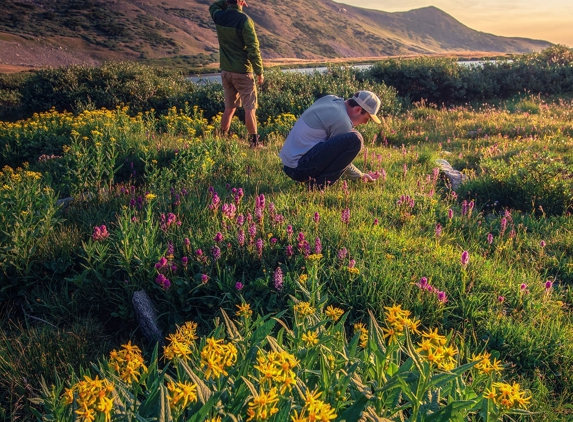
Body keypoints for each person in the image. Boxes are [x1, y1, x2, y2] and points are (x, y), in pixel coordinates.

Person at [279, 91, 383, 189]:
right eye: (367, 118)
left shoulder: (331, 99)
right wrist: (360, 176)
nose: (365, 123)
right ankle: (318, 187)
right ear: (358, 110)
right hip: (298, 169)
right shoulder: (342, 121)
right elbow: (339, 159)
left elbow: (332, 153)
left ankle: (314, 183)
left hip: (290, 165)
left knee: (352, 137)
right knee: (356, 139)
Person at [209, 0, 264, 148]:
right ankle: (254, 142)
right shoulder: (244, 20)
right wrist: (259, 71)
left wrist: (228, 2)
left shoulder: (219, 16)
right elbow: (253, 48)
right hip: (242, 72)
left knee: (229, 107)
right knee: (249, 108)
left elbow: (213, 6)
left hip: (226, 71)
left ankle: (222, 137)